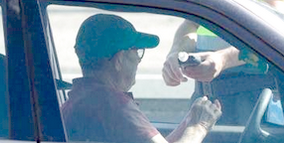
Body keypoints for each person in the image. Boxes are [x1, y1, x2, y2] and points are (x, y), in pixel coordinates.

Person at [61, 14, 222, 143]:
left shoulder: (81, 100)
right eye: (137, 52)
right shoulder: (115, 107)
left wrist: (189, 121)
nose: (138, 60)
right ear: (119, 60)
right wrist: (199, 127)